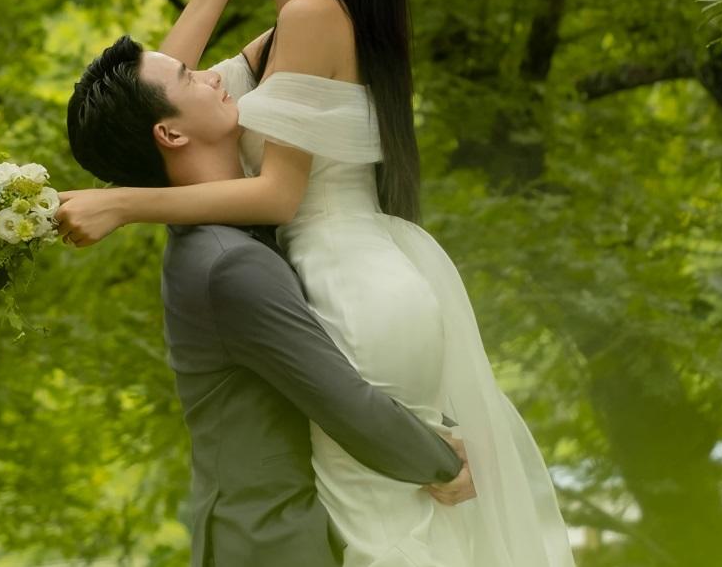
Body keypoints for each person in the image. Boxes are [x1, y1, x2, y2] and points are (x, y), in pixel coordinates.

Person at [57, 0, 575, 566]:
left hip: (348, 283)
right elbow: (154, 107)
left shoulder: (312, 17)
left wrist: (122, 205)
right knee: (399, 526)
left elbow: (273, 194)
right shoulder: (284, 34)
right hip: (366, 274)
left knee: (383, 536)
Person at [65, 36, 475, 567]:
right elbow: (341, 399)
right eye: (191, 77)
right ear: (168, 133)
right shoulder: (227, 263)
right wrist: (446, 463)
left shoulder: (218, 239)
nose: (214, 77)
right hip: (271, 541)